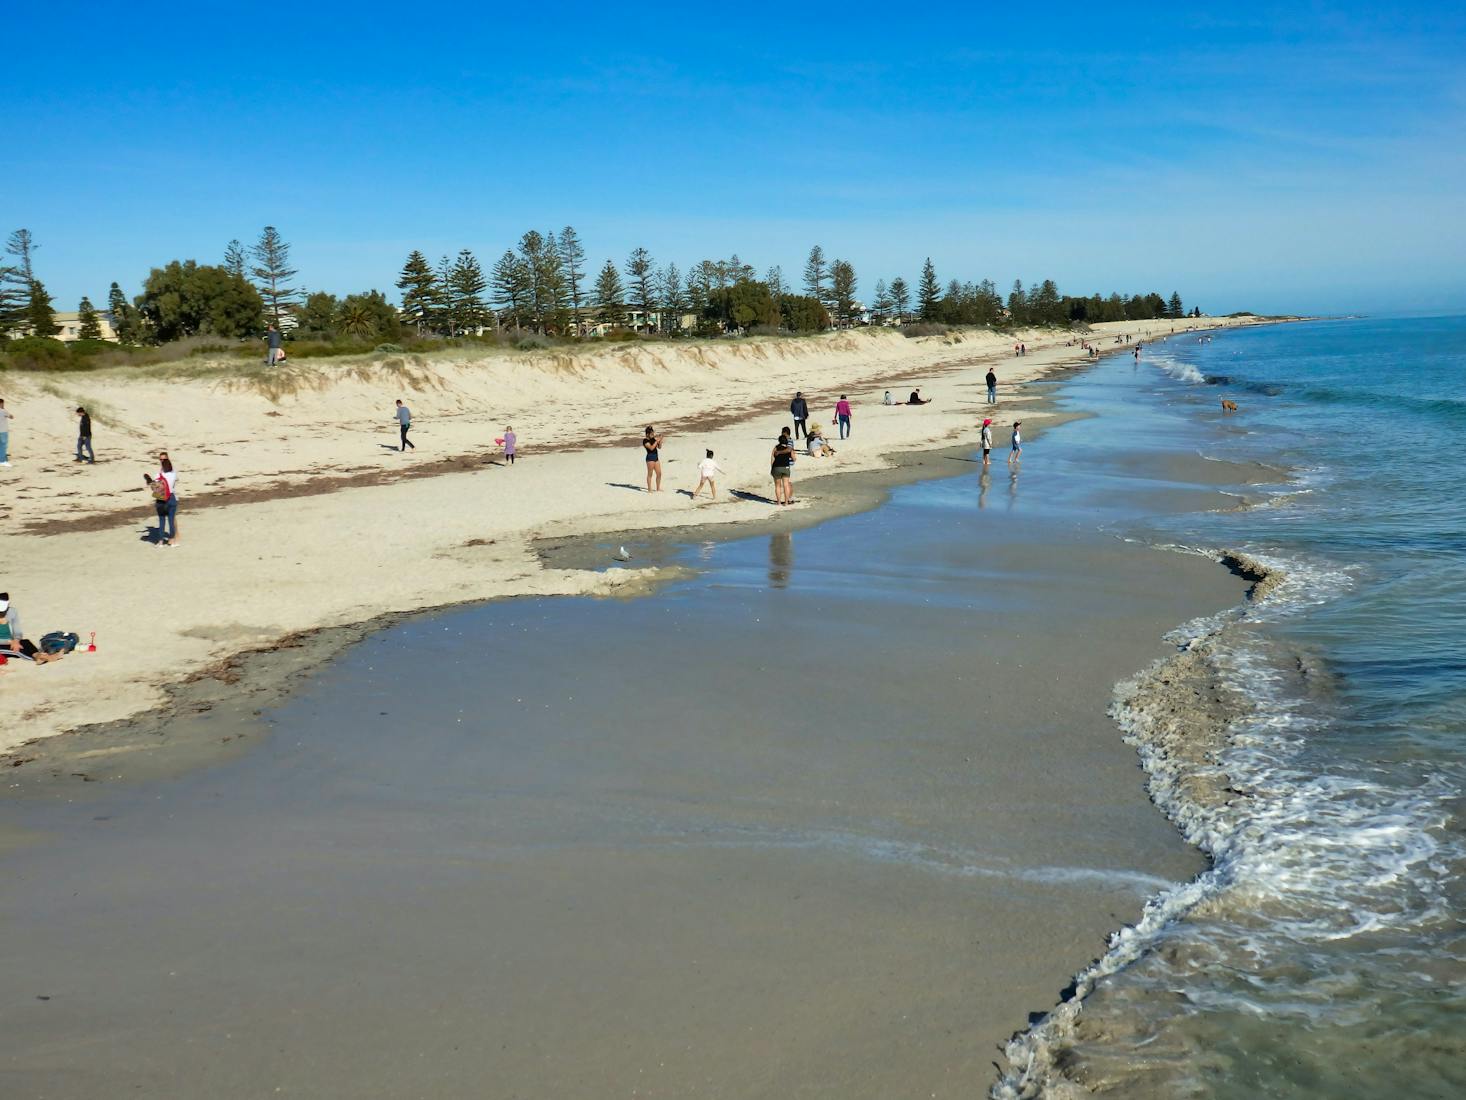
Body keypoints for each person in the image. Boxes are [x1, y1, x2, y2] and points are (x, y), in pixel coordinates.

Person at [0, 593, 63, 664]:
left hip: (10, 641)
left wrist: (16, 640)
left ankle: (39, 656)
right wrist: (10, 642)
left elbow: (17, 631)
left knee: (26, 642)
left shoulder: (12, 612)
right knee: (17, 650)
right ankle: (39, 658)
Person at [144, 452, 179, 546]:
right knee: (171, 520)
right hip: (171, 497)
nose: (162, 461)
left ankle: (160, 542)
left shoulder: (158, 475)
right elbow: (174, 484)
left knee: (161, 520)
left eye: (163, 459)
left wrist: (148, 480)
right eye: (161, 459)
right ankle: (172, 541)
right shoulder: (174, 473)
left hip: (160, 498)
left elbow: (153, 487)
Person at [771, 428, 795, 505]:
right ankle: (786, 502)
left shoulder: (776, 448)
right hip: (786, 467)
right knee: (786, 485)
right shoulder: (789, 448)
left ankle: (778, 502)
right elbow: (794, 458)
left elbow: (772, 458)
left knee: (778, 486)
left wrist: (772, 468)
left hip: (776, 467)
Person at [643, 426, 664, 491]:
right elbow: (651, 448)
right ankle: (649, 489)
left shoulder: (653, 439)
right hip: (650, 458)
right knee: (650, 474)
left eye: (653, 433)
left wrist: (660, 440)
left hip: (656, 457)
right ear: (647, 434)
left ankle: (658, 488)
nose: (653, 435)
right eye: (651, 434)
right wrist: (656, 441)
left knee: (659, 473)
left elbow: (659, 447)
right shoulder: (645, 441)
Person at [0, 397, 10, 467]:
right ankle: (3, 460)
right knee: (3, 445)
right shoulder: (3, 411)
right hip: (3, 430)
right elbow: (12, 416)